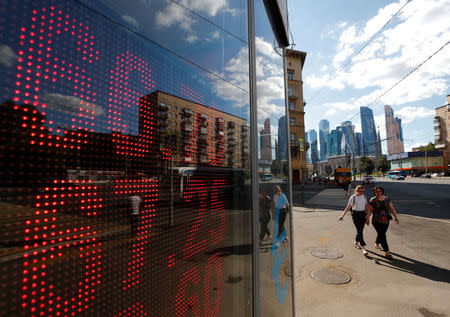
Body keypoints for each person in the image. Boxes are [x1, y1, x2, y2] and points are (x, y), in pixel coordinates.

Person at [366, 186, 399, 258]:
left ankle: (377, 243)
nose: (378, 193)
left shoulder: (387, 199)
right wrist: (367, 219)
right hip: (376, 220)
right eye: (376, 192)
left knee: (381, 233)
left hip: (386, 220)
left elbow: (392, 208)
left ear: (382, 191)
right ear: (374, 192)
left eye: (379, 191)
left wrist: (396, 217)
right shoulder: (373, 200)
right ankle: (387, 252)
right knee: (382, 235)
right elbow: (369, 210)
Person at [339, 185, 369, 255]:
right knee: (360, 231)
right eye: (360, 191)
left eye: (362, 191)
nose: (361, 192)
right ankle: (364, 248)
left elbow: (366, 206)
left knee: (360, 230)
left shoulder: (364, 196)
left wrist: (368, 216)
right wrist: (342, 216)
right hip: (355, 215)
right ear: (356, 190)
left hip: (363, 215)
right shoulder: (353, 197)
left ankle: (356, 242)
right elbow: (348, 207)